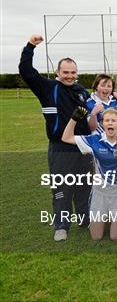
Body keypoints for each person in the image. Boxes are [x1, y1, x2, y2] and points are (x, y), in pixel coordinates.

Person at [18, 34, 95, 241]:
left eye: (73, 72)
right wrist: (30, 46)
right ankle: (61, 226)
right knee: (62, 187)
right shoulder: (47, 87)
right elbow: (26, 71)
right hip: (60, 148)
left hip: (83, 146)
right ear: (58, 73)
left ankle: (85, 219)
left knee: (84, 185)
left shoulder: (82, 91)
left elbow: (92, 114)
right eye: (66, 72)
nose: (70, 76)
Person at [62, 108, 117, 241]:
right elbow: (66, 138)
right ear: (102, 124)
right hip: (100, 192)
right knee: (96, 237)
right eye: (107, 120)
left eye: (113, 120)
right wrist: (74, 119)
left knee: (115, 237)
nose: (110, 123)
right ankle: (106, 216)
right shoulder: (94, 140)